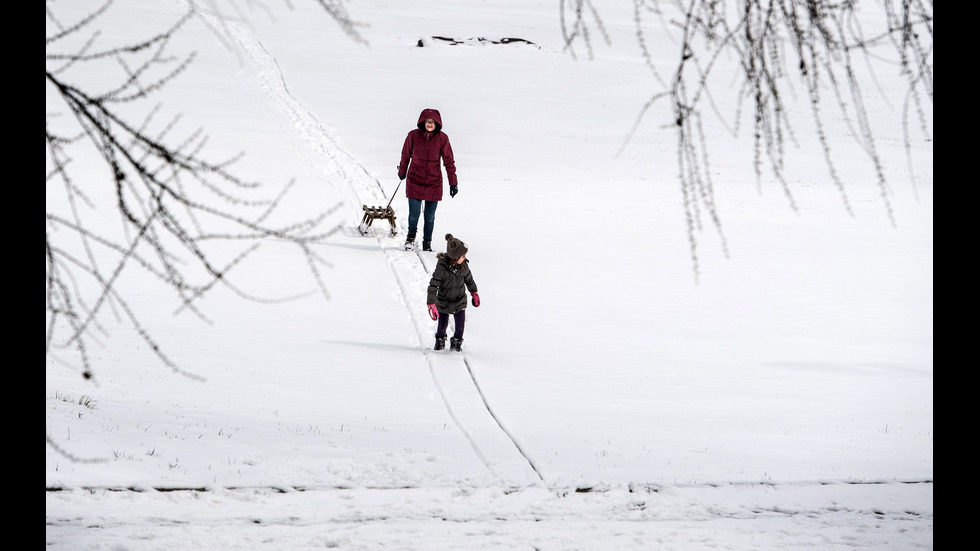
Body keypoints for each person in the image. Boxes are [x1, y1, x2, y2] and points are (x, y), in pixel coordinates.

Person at [398, 108, 458, 251]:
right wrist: (402, 171)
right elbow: (405, 155)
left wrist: (453, 183)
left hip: (433, 183)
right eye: (427, 121)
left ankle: (427, 244)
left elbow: (449, 161)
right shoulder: (413, 135)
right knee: (414, 214)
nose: (430, 124)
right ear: (422, 122)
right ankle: (410, 239)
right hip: (414, 180)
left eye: (432, 122)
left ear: (437, 123)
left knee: (429, 217)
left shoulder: (442, 138)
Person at [426, 234, 479, 351]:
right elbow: (433, 285)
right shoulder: (442, 268)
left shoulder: (464, 266)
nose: (465, 258)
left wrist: (474, 292)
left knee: (460, 326)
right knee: (442, 326)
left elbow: (469, 280)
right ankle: (440, 342)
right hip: (444, 300)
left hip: (459, 300)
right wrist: (431, 303)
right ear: (455, 257)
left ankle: (456, 345)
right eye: (463, 256)